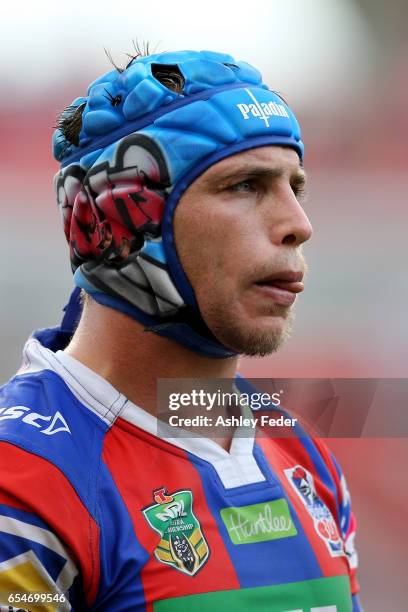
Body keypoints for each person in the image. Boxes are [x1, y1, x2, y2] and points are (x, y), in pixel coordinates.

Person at [0, 48, 361, 611]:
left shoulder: (305, 457)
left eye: (297, 187)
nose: (299, 225)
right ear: (121, 221)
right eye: (246, 185)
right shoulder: (22, 480)